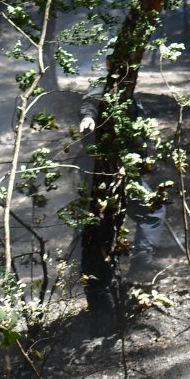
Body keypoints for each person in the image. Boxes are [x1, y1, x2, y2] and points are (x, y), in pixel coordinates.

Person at [78, 79, 168, 273]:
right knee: (150, 210)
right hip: (108, 168)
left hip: (123, 168)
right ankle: (140, 258)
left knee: (97, 219)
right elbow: (91, 103)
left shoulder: (129, 95)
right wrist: (88, 117)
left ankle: (82, 265)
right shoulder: (104, 86)